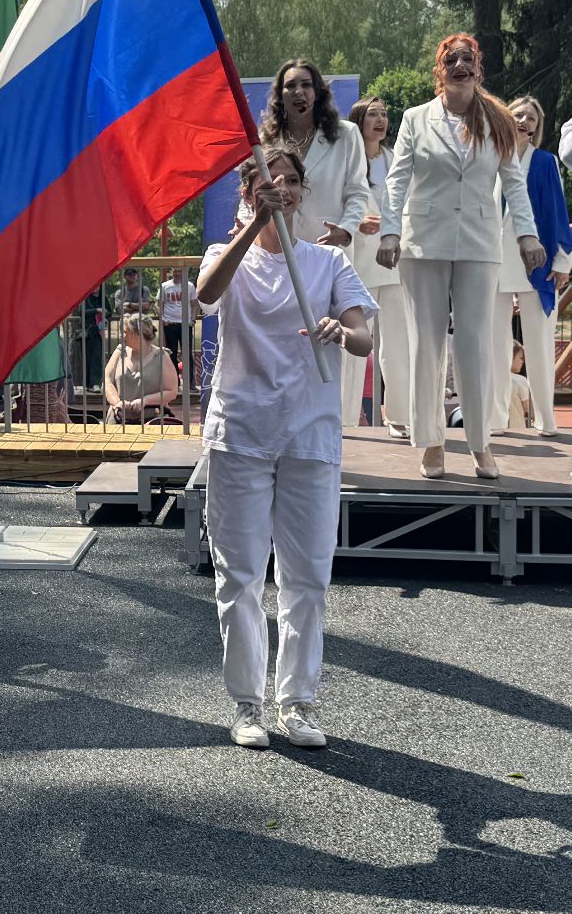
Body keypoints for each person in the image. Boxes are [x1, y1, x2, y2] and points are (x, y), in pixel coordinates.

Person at [198, 149, 375, 749]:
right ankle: (247, 703)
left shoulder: (326, 262)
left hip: (310, 433)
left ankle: (297, 702)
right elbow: (204, 294)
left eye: (292, 180)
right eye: (268, 181)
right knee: (241, 573)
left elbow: (364, 335)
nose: (282, 188)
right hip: (242, 430)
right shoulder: (227, 254)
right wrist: (256, 225)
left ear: (303, 191)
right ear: (249, 192)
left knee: (306, 577)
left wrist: (343, 331)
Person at [377, 34, 546, 480]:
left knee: (474, 344)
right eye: (450, 60)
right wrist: (390, 232)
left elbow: (513, 182)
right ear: (440, 69)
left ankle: (479, 442)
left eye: (467, 59)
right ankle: (431, 443)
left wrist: (527, 235)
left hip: (478, 241)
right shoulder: (416, 118)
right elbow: (396, 181)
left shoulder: (498, 119)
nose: (459, 66)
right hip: (422, 241)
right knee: (427, 344)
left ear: (478, 68)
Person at [487, 95, 571, 438]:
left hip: (536, 265)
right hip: (492, 263)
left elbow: (557, 211)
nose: (524, 121)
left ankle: (545, 419)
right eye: (518, 115)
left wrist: (563, 260)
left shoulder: (545, 162)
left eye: (531, 118)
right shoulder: (490, 159)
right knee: (494, 344)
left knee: (538, 343)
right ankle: (496, 417)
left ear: (538, 127)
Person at [259, 59, 371, 257]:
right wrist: (245, 225)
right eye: (290, 86)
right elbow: (253, 193)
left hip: (329, 249)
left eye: (306, 84)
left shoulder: (346, 134)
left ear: (318, 92)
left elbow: (358, 193)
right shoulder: (267, 140)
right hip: (278, 249)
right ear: (280, 96)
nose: (298, 91)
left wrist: (345, 230)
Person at [348, 95, 412, 438]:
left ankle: (399, 415)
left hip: (396, 262)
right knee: (357, 344)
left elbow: (409, 202)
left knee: (398, 342)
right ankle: (345, 417)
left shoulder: (396, 159)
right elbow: (342, 201)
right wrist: (358, 222)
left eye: (385, 114)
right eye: (373, 114)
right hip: (359, 263)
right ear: (359, 121)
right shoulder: (349, 160)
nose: (381, 120)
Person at [102, 313, 179, 424]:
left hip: (152, 420)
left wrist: (145, 401)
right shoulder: (120, 351)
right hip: (118, 419)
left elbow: (172, 391)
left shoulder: (162, 356)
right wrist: (117, 403)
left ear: (137, 334)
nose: (122, 336)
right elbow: (107, 381)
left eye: (125, 332)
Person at [156, 268, 197, 367]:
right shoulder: (164, 286)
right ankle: (174, 381)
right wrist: (163, 319)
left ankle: (189, 380)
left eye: (179, 271)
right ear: (171, 272)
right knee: (171, 353)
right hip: (170, 323)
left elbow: (194, 304)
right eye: (175, 271)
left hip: (186, 324)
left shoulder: (190, 286)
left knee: (187, 353)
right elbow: (158, 304)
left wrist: (193, 319)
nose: (177, 273)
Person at [506, 340, 532, 430]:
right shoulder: (520, 380)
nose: (522, 362)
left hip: (492, 430)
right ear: (510, 357)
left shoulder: (492, 379)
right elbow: (529, 409)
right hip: (517, 430)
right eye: (520, 358)